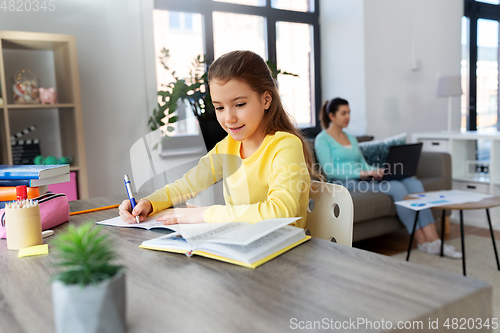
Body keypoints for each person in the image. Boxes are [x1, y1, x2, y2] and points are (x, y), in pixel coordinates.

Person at [119, 50, 320, 229]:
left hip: (282, 255)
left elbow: (280, 211)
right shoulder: (228, 146)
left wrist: (202, 215)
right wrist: (148, 203)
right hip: (239, 246)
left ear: (266, 99)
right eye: (219, 107)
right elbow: (186, 185)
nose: (228, 118)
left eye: (239, 104)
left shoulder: (285, 145)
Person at [314, 97, 461, 258]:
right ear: (332, 116)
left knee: (413, 183)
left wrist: (377, 170)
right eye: (343, 113)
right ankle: (421, 239)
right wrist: (361, 173)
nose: (348, 116)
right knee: (397, 188)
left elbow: (363, 164)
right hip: (344, 182)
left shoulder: (351, 138)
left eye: (349, 112)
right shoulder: (322, 139)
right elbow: (329, 170)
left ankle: (434, 241)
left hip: (363, 177)